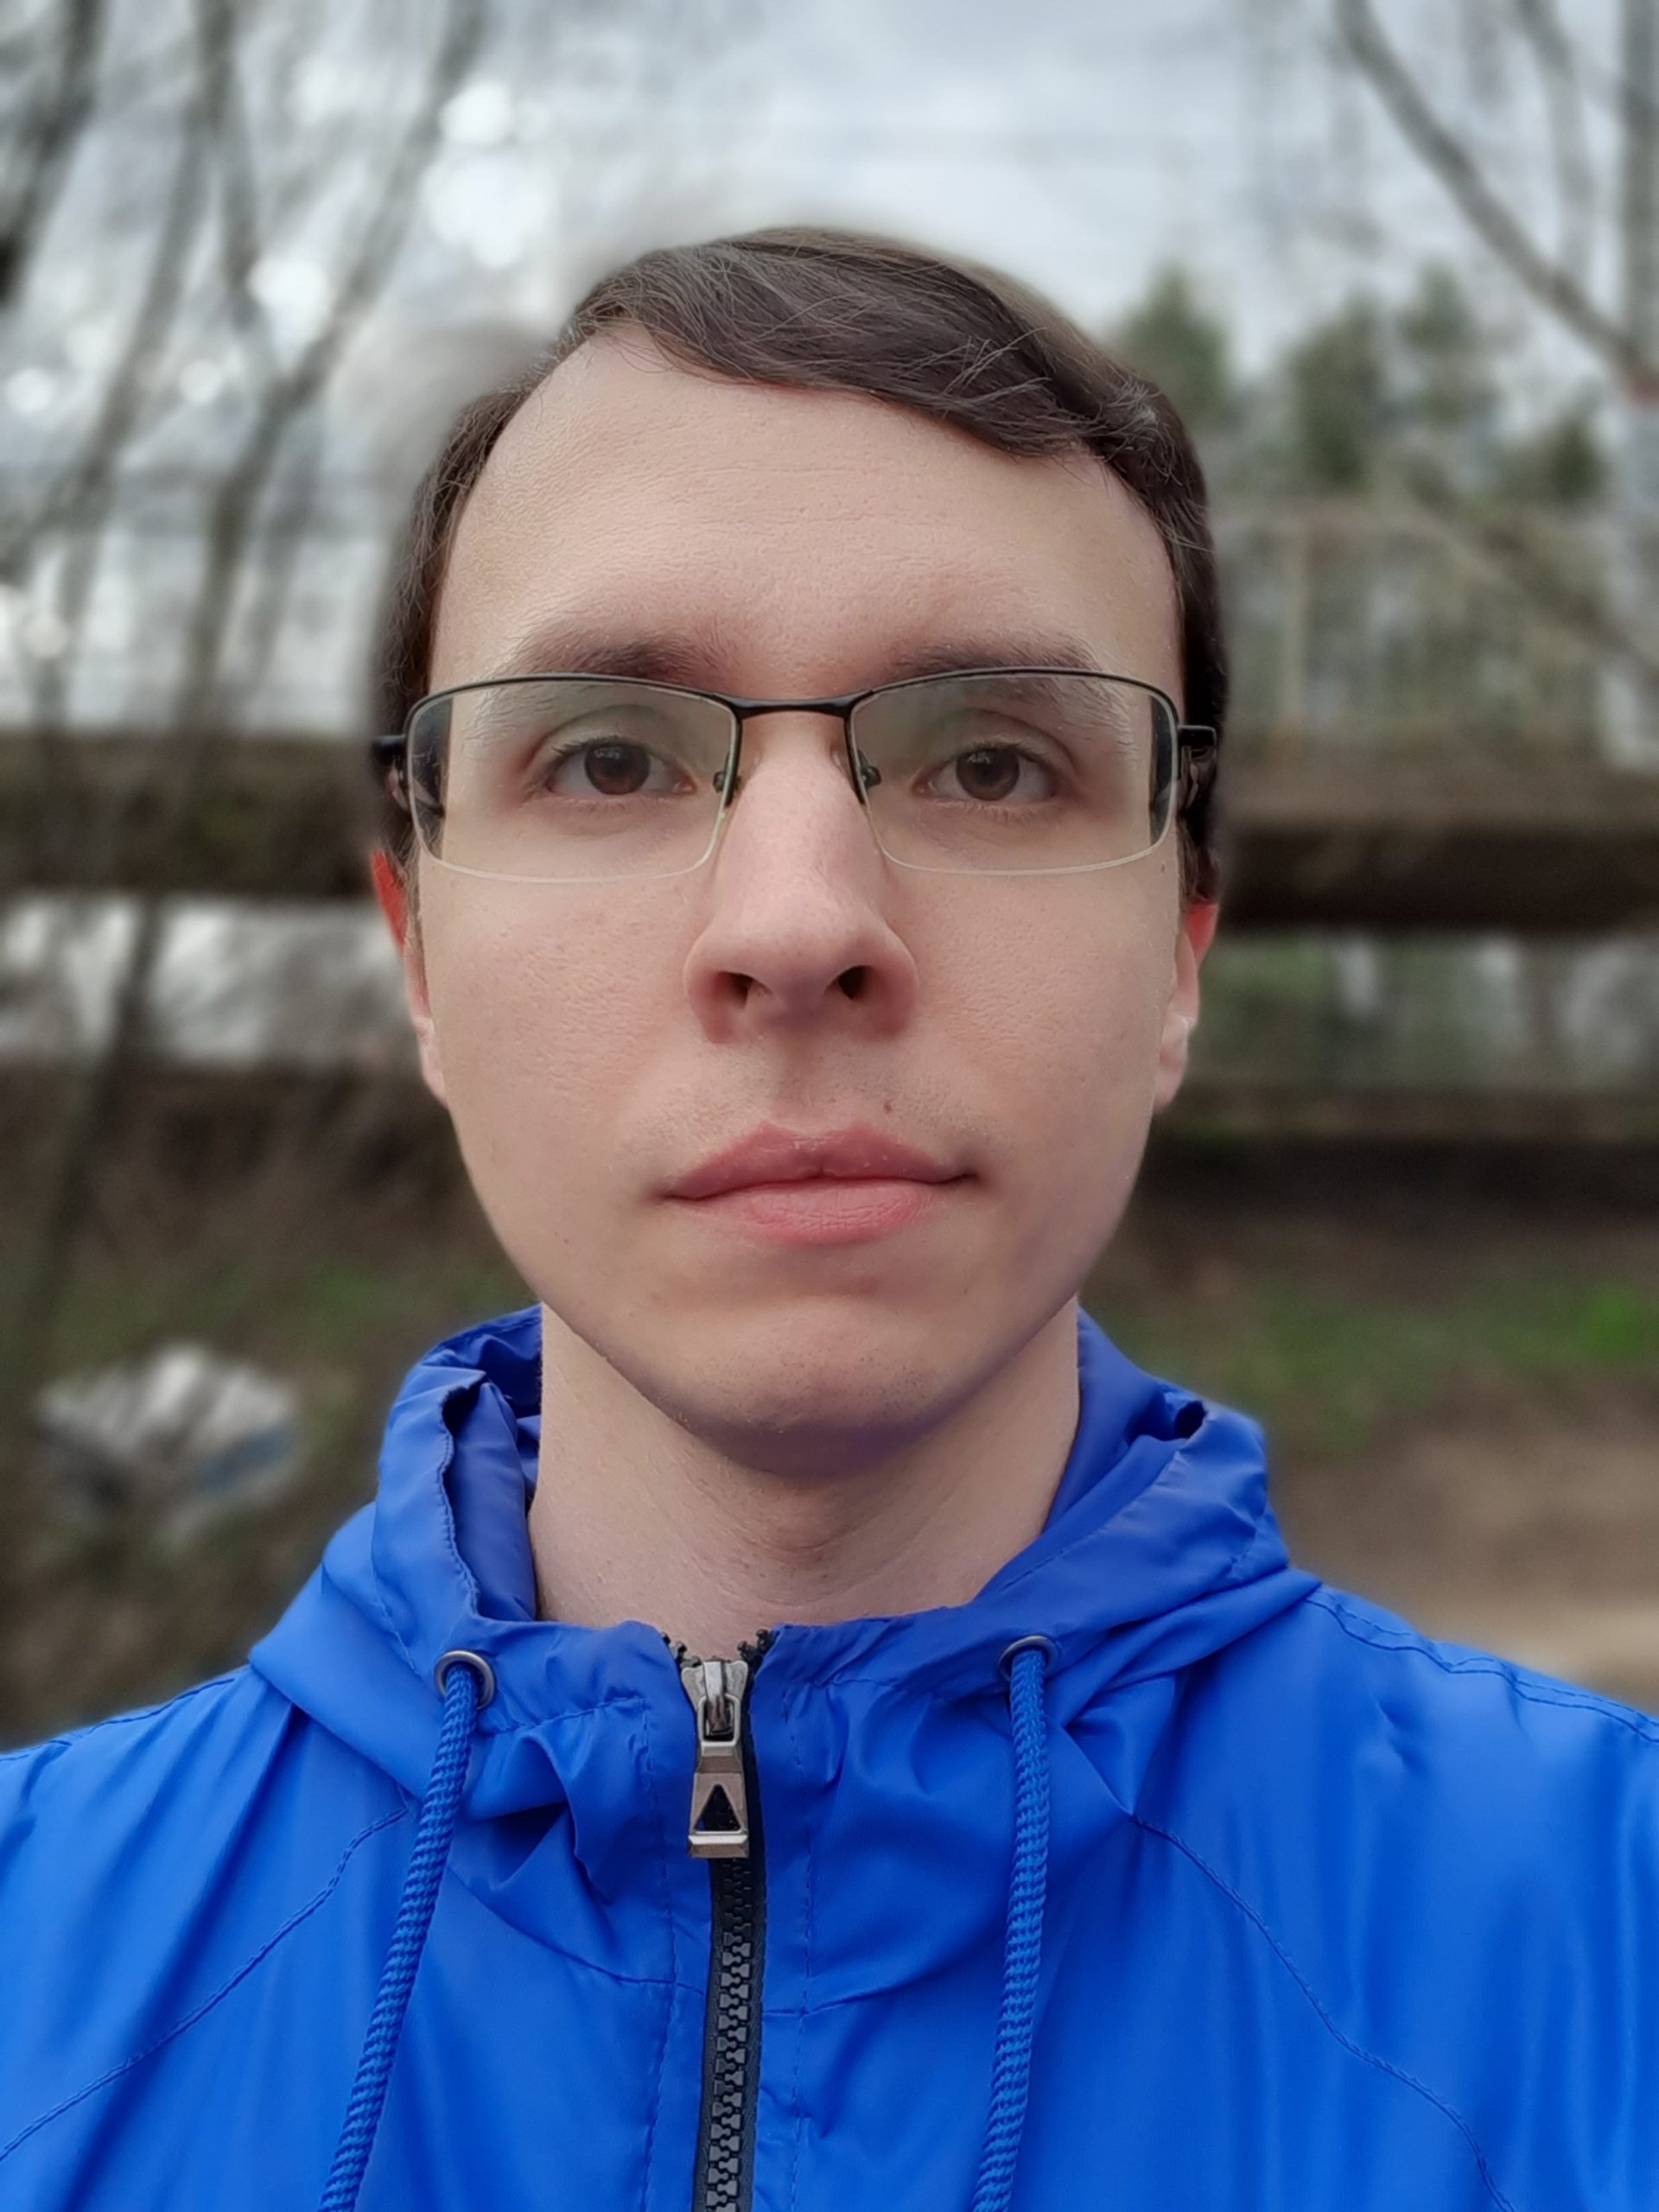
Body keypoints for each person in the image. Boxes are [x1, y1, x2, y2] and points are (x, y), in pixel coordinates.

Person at [0, 226, 1653, 2212]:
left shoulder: (1611, 1949)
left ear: (1182, 955)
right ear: (418, 949)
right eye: (609, 754)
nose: (798, 923)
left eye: (993, 762)